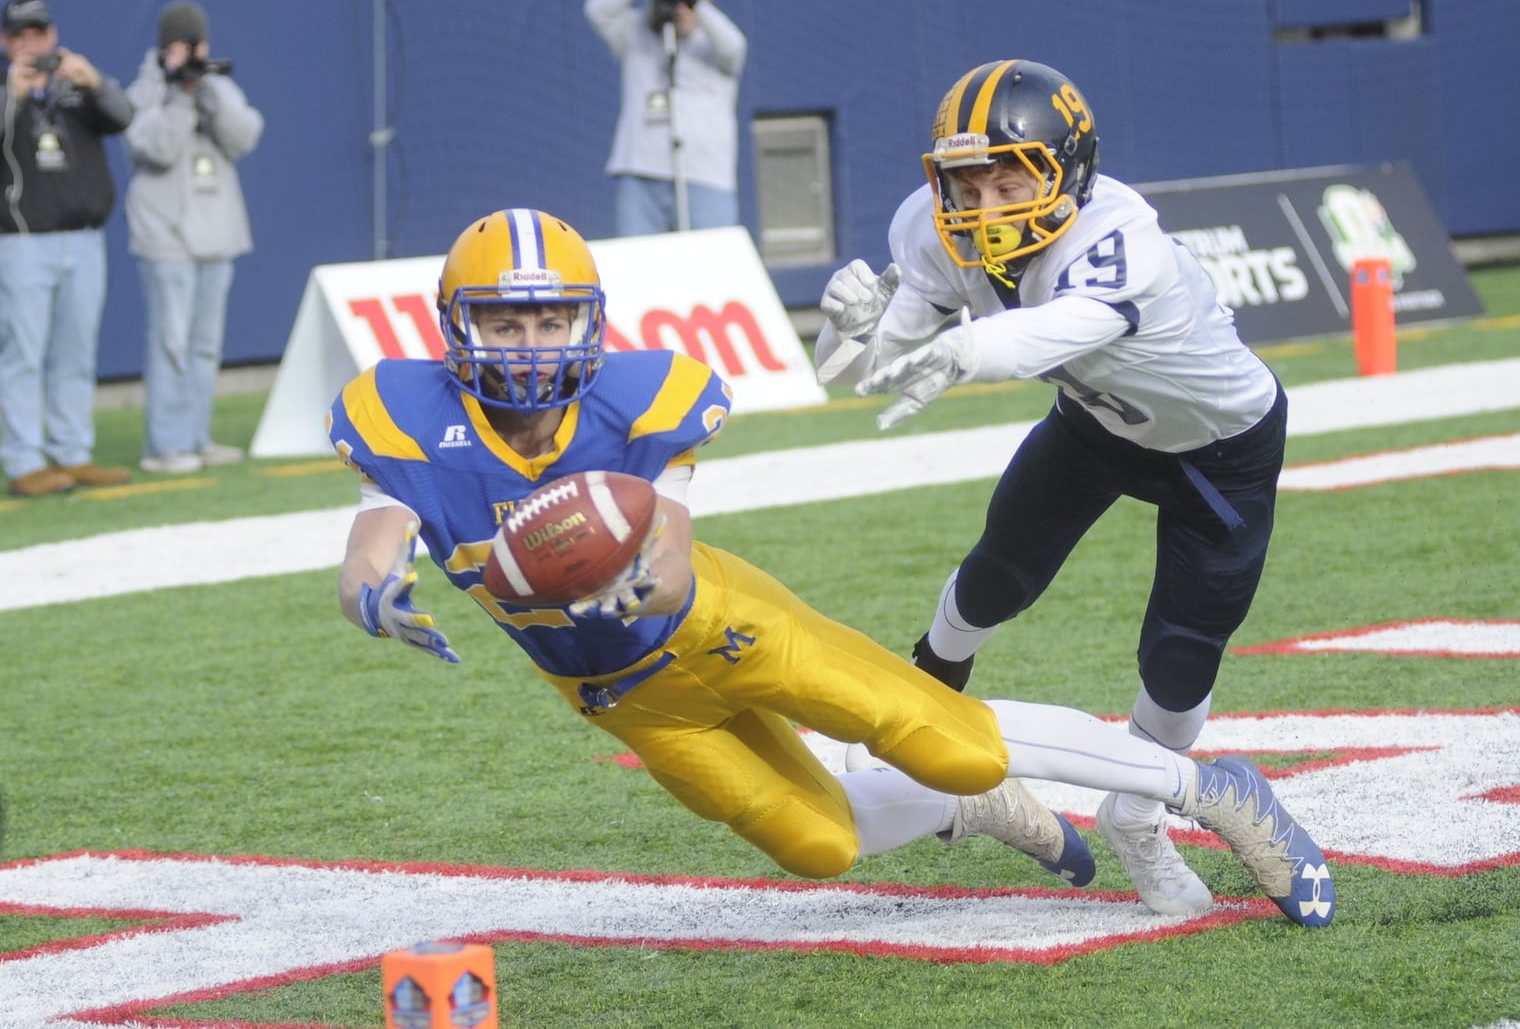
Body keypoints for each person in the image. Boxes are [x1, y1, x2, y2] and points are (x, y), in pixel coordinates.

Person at [328, 206, 1334, 928]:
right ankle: (957, 811)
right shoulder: (405, 417)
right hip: (615, 695)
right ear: (456, 325)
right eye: (506, 320)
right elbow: (373, 539)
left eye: (550, 319)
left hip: (716, 624)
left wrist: (626, 577)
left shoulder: (642, 395)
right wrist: (375, 593)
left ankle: (1207, 788)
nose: (530, 342)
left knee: (958, 741)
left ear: (589, 320)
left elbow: (670, 556)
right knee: (821, 843)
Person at [816, 59, 1294, 919]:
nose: (986, 202)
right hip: (1093, 421)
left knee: (1180, 659)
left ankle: (1139, 814)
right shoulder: (929, 229)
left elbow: (1041, 337)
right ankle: (916, 714)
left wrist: (957, 349)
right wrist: (853, 332)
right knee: (998, 573)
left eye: (1011, 175)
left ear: (1068, 169)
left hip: (1217, 448)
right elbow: (881, 359)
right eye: (966, 179)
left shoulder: (1122, 237)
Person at [0, 0, 132, 497]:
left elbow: (123, 118)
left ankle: (73, 450)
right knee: (24, 355)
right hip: (23, 242)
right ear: (6, 42)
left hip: (83, 240)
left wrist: (95, 81)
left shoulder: (75, 87)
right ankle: (24, 460)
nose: (32, 44)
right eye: (20, 35)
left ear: (53, 35)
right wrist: (12, 96)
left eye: (39, 33)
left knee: (75, 351)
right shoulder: (6, 89)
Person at [125, 0, 263, 474]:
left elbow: (245, 136)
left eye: (198, 43)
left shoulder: (217, 86)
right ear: (165, 48)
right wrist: (181, 95)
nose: (193, 52)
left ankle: (197, 437)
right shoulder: (144, 92)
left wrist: (208, 94)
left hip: (217, 234)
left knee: (205, 344)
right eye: (184, 45)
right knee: (171, 342)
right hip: (165, 238)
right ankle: (165, 445)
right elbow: (154, 147)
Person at [584, 0, 745, 235]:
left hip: (705, 177)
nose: (678, 7)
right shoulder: (636, 35)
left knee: (712, 266)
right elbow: (597, 10)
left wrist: (695, 1)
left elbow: (735, 46)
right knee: (640, 262)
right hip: (642, 174)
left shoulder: (714, 46)